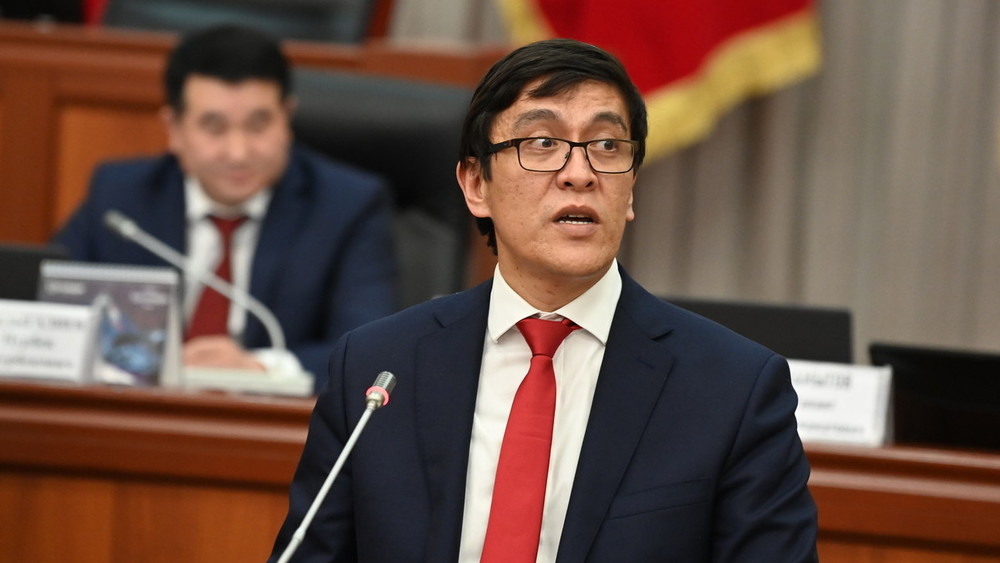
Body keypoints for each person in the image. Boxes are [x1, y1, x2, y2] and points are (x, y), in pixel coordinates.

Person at [270, 38, 818, 561]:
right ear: (475, 184)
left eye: (607, 146)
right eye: (542, 144)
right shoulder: (376, 371)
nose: (580, 174)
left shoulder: (733, 391)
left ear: (630, 188)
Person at [53, 24, 398, 384]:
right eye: (214, 128)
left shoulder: (347, 206)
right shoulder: (121, 198)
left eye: (258, 125)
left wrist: (262, 368)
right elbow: (51, 313)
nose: (238, 153)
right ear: (174, 129)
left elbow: (370, 349)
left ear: (287, 117)